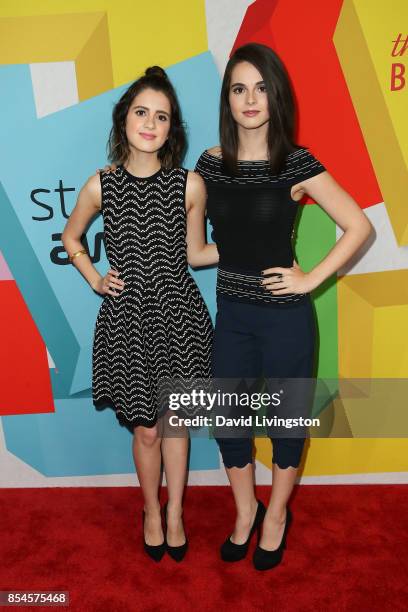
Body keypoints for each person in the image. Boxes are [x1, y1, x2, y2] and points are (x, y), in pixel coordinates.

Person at [194, 43, 372, 571]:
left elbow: (359, 225)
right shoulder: (208, 163)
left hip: (286, 320)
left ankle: (276, 518)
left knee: (287, 424)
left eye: (261, 87)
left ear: (277, 95)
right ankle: (247, 511)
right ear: (227, 99)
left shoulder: (295, 161)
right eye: (239, 88)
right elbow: (199, 249)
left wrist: (310, 279)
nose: (251, 99)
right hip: (233, 316)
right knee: (228, 421)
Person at [62, 66, 218, 563]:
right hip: (127, 319)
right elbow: (72, 238)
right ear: (123, 119)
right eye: (141, 112)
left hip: (180, 317)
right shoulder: (101, 185)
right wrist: (94, 277)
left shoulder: (190, 185)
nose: (150, 123)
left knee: (175, 424)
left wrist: (245, 246)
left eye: (162, 117)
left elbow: (196, 255)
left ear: (172, 129)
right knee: (146, 428)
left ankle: (175, 512)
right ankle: (151, 509)